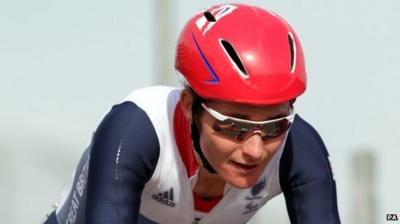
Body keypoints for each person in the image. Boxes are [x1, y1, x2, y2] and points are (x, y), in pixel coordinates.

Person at [43, 3, 340, 224]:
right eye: (234, 126)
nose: (255, 150)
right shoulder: (136, 129)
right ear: (189, 107)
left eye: (275, 126)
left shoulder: (300, 147)